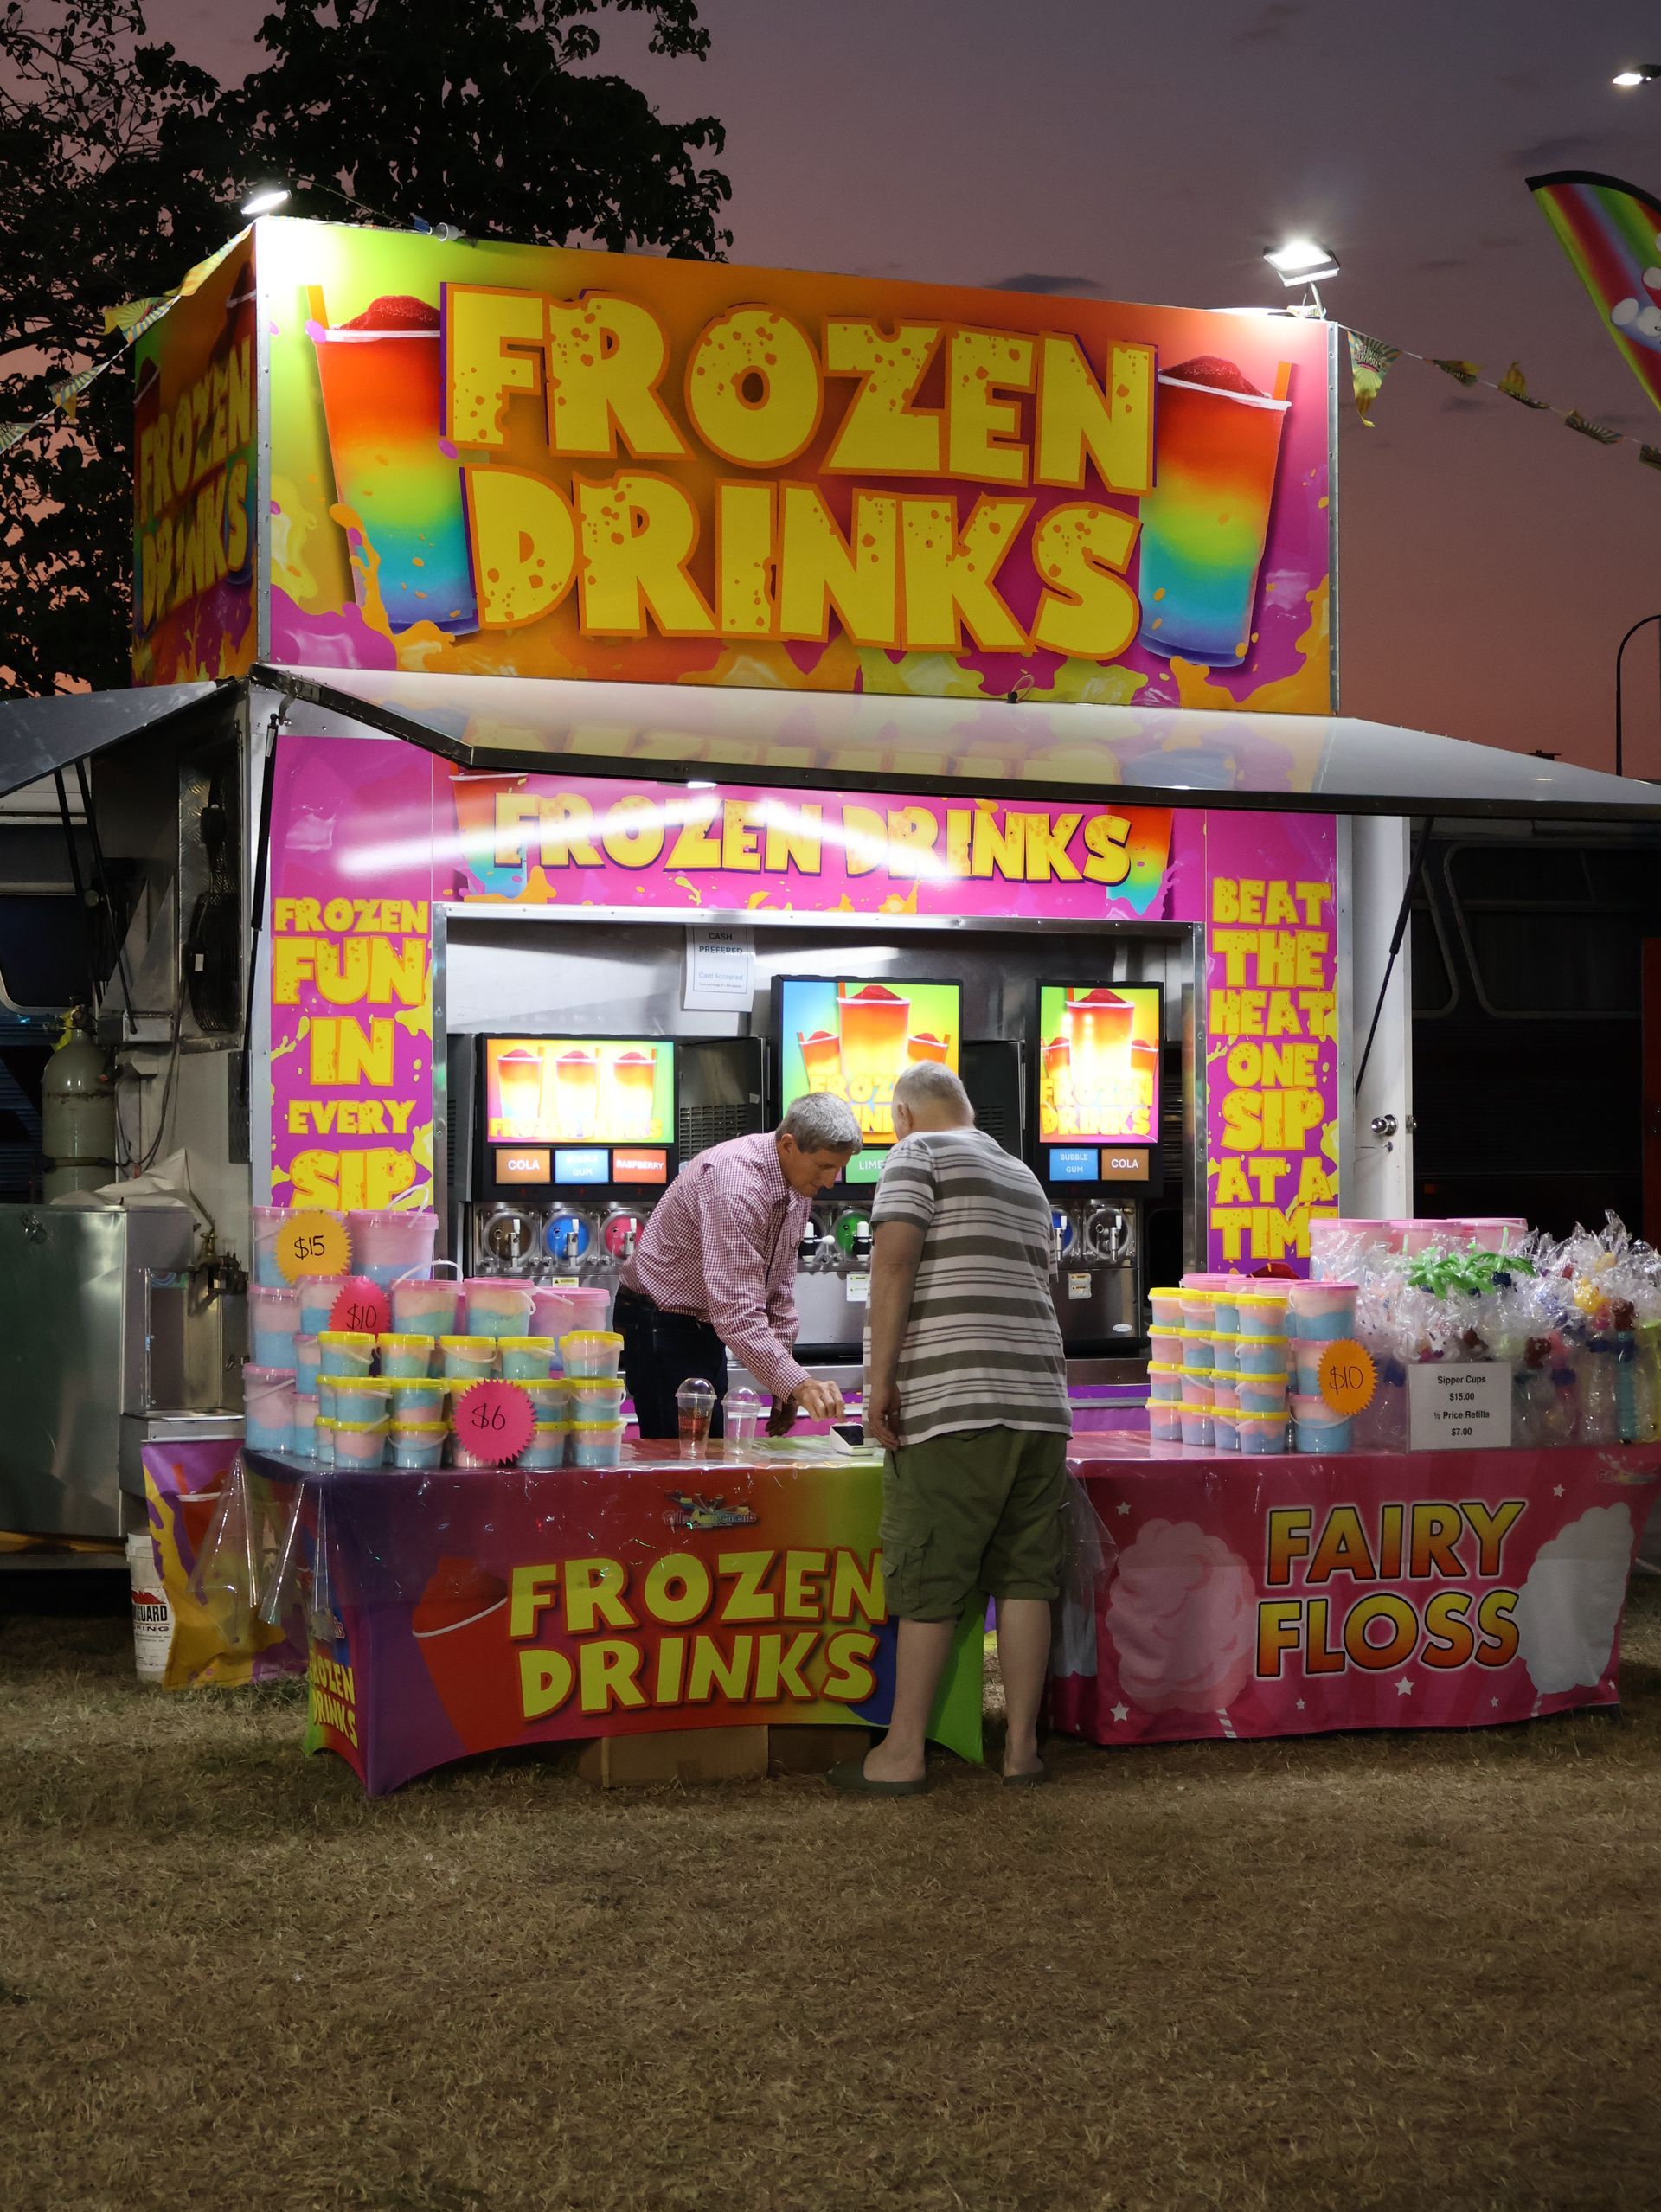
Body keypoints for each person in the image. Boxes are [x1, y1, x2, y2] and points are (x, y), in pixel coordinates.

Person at [830, 1061, 1070, 1795]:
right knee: (1027, 1577)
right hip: (1041, 1406)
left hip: (957, 1400)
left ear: (902, 1113)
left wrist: (877, 1385)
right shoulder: (1024, 1176)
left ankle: (901, 1753)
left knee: (928, 1579)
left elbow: (894, 1266)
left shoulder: (916, 1154)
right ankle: (1022, 1748)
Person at [614, 1093, 862, 1438]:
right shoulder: (736, 1185)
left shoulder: (797, 1188)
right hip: (659, 1320)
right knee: (684, 1458)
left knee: (709, 1450)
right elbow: (736, 1312)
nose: (830, 1181)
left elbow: (778, 1293)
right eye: (824, 1166)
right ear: (788, 1144)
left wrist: (785, 1384)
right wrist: (799, 1384)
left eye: (838, 1168)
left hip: (704, 1324)